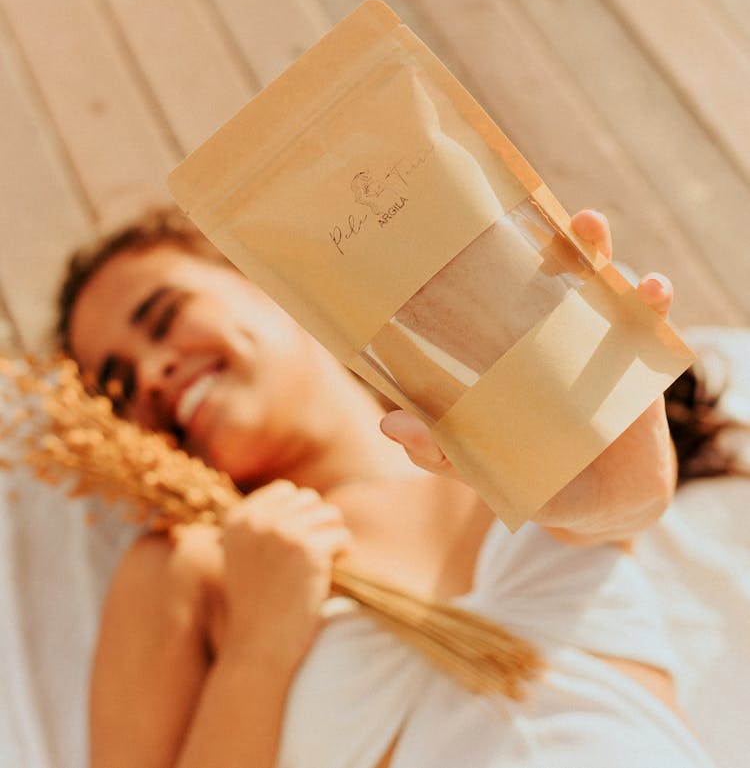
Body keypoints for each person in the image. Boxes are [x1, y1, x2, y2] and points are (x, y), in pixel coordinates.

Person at [56, 205, 716, 768]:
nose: (150, 372)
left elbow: (620, 505)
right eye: (117, 386)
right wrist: (257, 651)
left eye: (164, 316)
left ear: (266, 280)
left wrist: (622, 466)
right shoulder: (194, 563)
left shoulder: (494, 433)